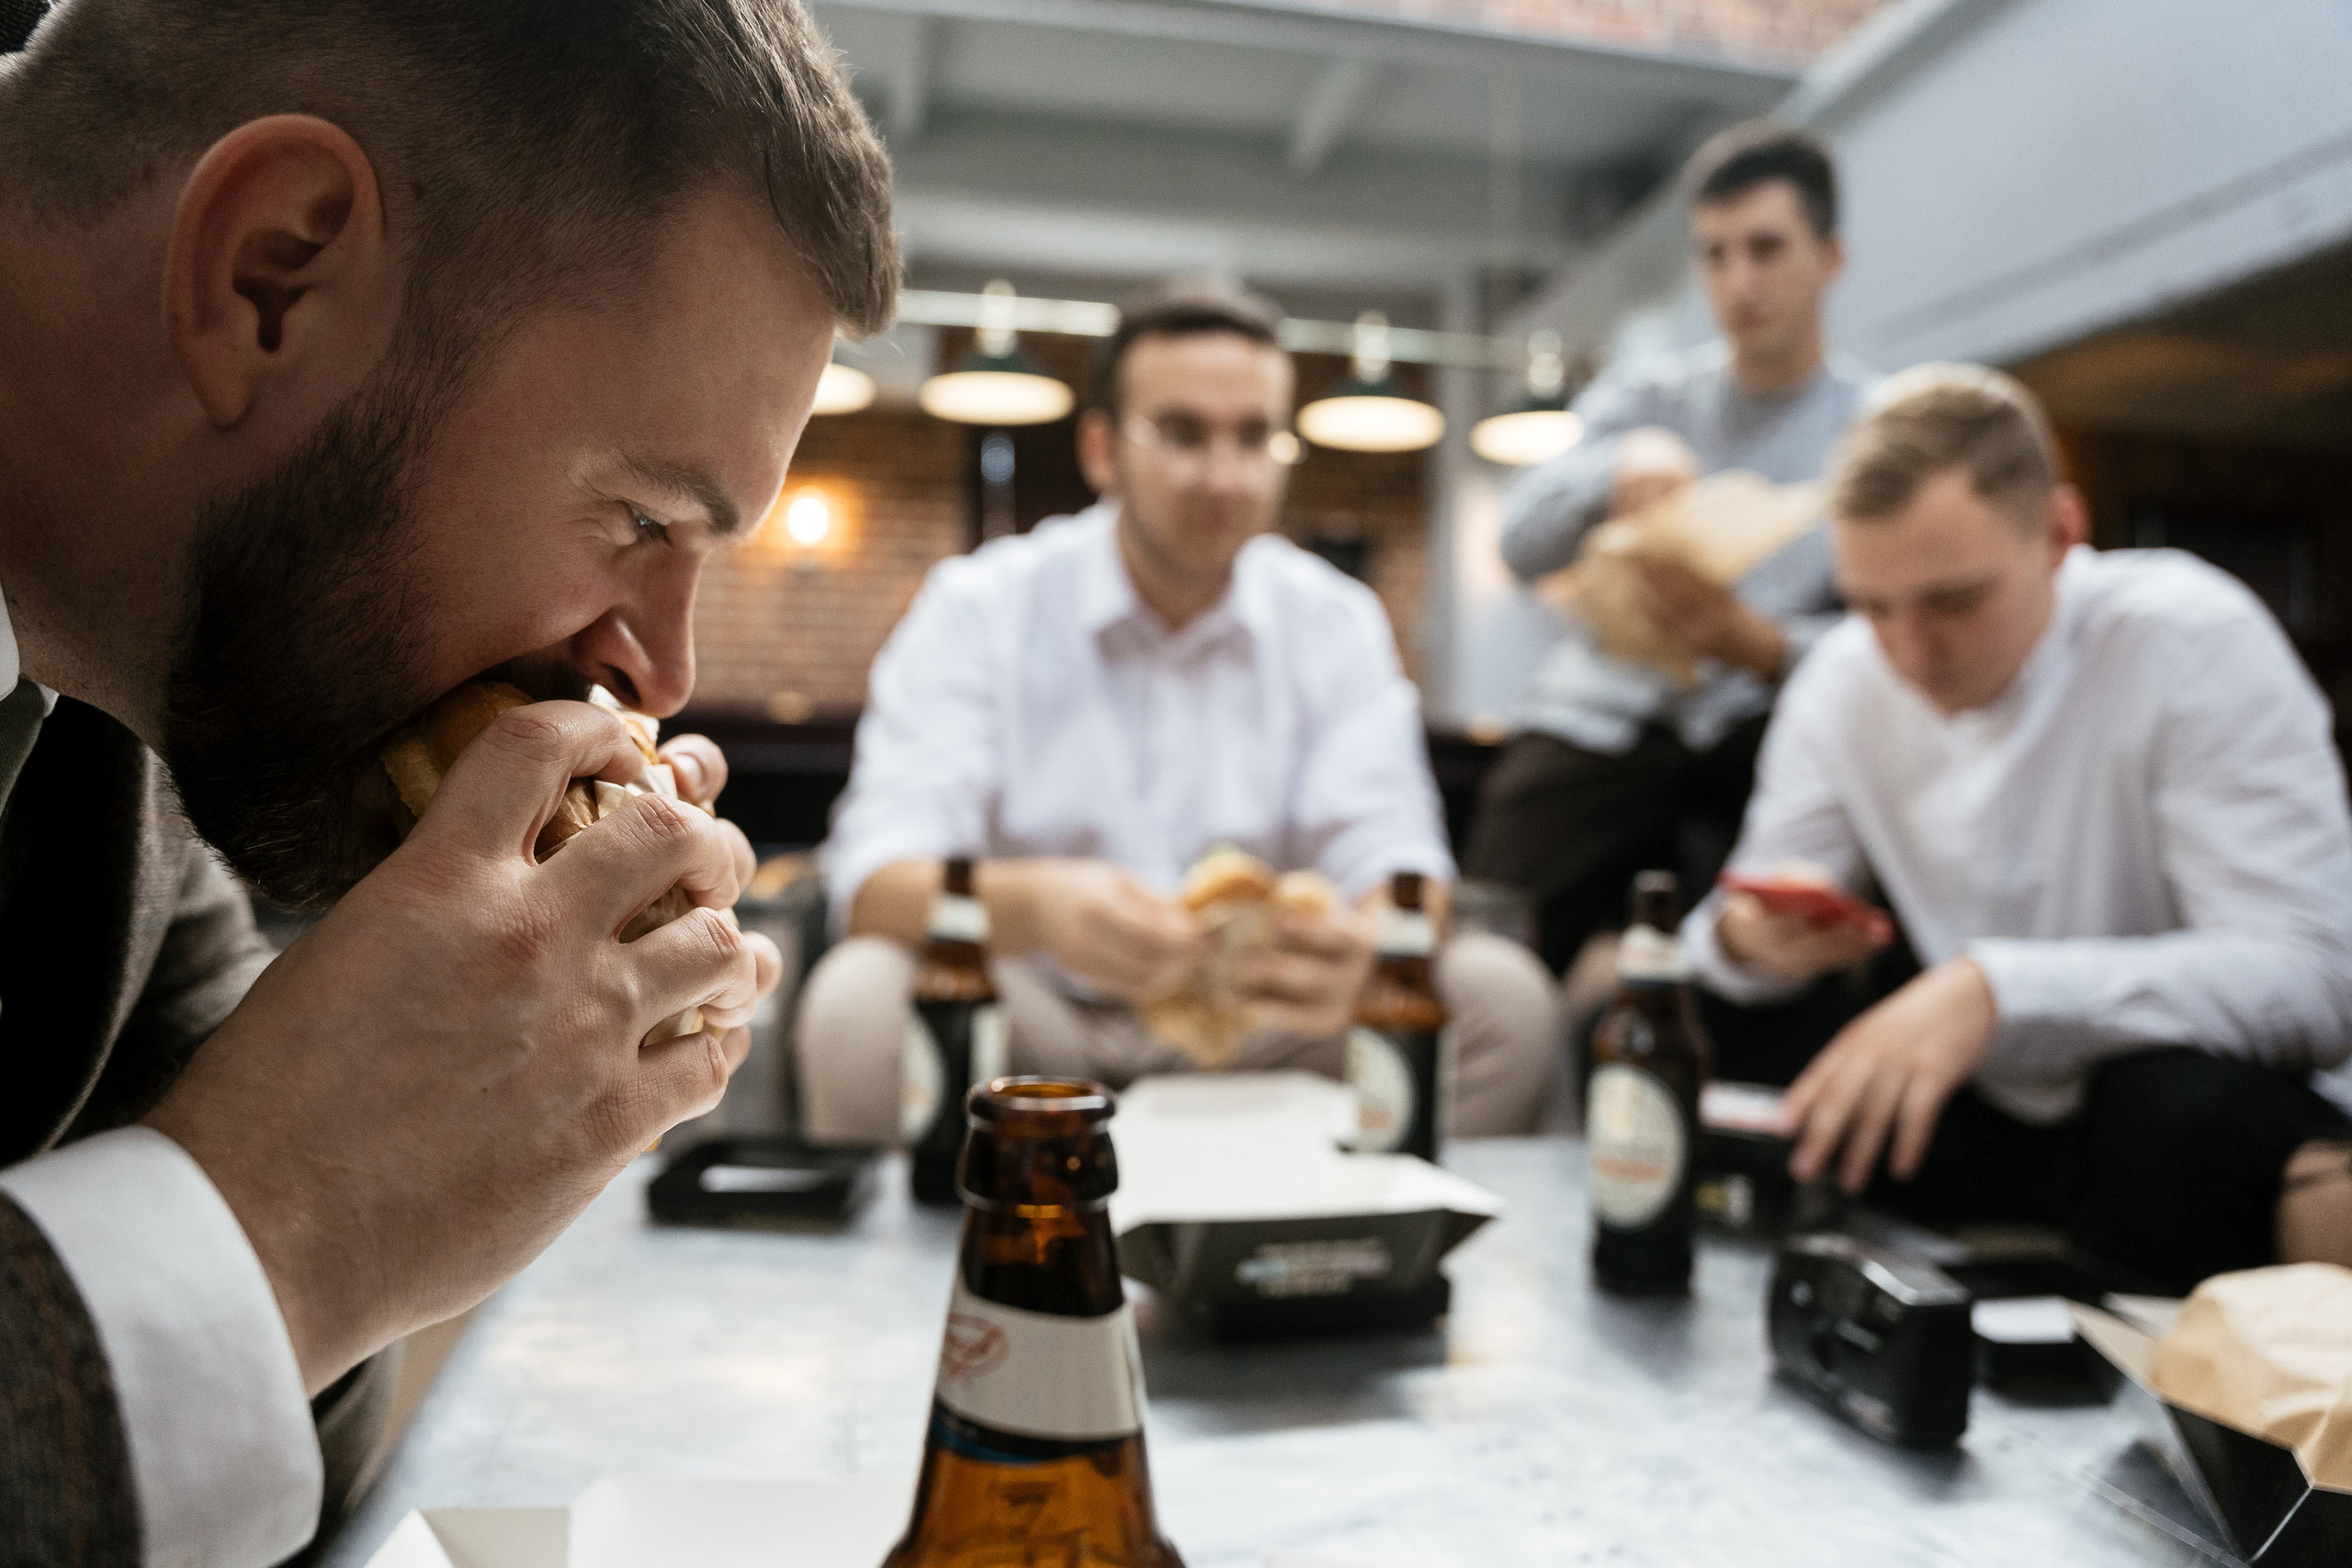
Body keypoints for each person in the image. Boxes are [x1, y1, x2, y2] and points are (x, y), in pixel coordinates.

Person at [0, 1, 895, 1558]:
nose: (661, 674)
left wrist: (469, 1100)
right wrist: (285, 1225)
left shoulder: (150, 636)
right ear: (273, 276)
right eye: (636, 520)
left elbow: (268, 1461)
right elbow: (244, 1279)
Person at [797, 283, 1558, 1141]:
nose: (1224, 476)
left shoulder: (1335, 620)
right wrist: (1041, 907)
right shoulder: (979, 606)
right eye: (1183, 433)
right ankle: (944, 1265)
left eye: (1255, 436)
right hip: (1038, 1019)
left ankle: (1374, 1257)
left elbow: (1399, 854)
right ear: (1100, 450)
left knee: (1505, 1000)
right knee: (859, 1003)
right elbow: (875, 880)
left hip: (1270, 1025)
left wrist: (1370, 943)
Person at [1683, 364, 2352, 1294]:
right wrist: (1750, 940)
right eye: (1872, 606)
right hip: (1977, 1112)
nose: (1909, 652)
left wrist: (1997, 992)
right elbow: (1722, 933)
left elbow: (2316, 980)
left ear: (2060, 536)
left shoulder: (2188, 640)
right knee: (1676, 1022)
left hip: (2162, 1119)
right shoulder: (1841, 679)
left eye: (1954, 601)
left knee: (2173, 1109)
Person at [1464, 121, 1871, 976]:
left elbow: (1895, 641)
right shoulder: (1648, 398)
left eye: (1766, 249)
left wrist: (1761, 646)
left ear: (1831, 259)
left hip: (1759, 732)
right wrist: (1613, 469)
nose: (1738, 280)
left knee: (1789, 928)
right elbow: (1518, 540)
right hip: (1599, 722)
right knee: (1485, 947)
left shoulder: (1873, 432)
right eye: (1715, 254)